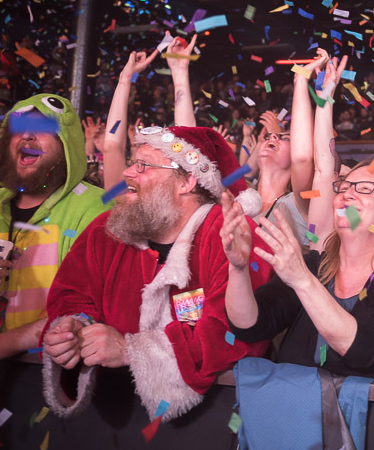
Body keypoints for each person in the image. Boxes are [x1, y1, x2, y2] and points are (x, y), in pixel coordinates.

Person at [224, 55, 374, 380]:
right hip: (298, 411)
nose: (347, 194)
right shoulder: (315, 266)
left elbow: (362, 348)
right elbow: (250, 325)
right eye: (344, 187)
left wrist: (301, 281)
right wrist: (237, 269)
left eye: (364, 188)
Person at [41, 126, 271, 422]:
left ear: (187, 181)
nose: (127, 173)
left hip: (215, 419)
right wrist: (74, 327)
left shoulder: (232, 234)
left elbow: (237, 336)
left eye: (143, 165)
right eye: (132, 162)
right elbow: (71, 294)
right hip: (110, 414)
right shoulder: (106, 230)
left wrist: (131, 351)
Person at [0, 94, 108, 402]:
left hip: (49, 378)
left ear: (66, 143)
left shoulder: (95, 208)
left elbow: (86, 313)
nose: (27, 135)